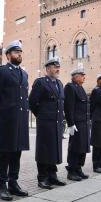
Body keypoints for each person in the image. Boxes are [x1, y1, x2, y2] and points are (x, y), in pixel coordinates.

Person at [0, 40, 29, 201]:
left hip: (20, 120)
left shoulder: (24, 74)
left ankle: (13, 183)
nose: (19, 54)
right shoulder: (1, 71)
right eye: (15, 52)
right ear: (8, 55)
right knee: (4, 153)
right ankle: (2, 186)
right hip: (7, 120)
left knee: (16, 152)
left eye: (20, 52)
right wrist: (2, 113)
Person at [29, 57, 66, 189]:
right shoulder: (41, 82)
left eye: (58, 67)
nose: (57, 69)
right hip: (45, 122)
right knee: (44, 150)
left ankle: (53, 176)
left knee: (54, 149)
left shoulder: (60, 83)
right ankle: (43, 178)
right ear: (48, 68)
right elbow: (32, 102)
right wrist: (41, 116)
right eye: (55, 67)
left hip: (56, 123)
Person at [64, 68, 90, 181]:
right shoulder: (70, 87)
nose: (84, 77)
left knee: (83, 147)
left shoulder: (81, 88)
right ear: (75, 76)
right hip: (77, 124)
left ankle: (79, 168)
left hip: (84, 122)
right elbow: (69, 107)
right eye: (82, 75)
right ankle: (71, 170)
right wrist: (71, 123)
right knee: (75, 147)